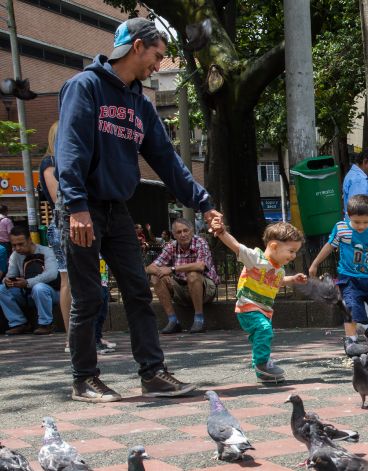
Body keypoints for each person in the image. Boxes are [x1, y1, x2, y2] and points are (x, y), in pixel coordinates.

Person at [57, 17, 222, 402]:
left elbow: (167, 161)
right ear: (137, 47)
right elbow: (70, 149)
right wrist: (76, 206)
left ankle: (153, 373)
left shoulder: (139, 103)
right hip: (83, 209)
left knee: (136, 290)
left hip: (116, 209)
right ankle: (84, 378)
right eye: (157, 55)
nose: (157, 65)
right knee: (89, 296)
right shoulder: (85, 87)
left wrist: (203, 203)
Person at [210, 219, 307, 383]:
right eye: (291, 251)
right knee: (264, 330)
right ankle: (262, 364)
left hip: (264, 310)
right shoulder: (255, 259)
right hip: (248, 307)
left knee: (262, 336)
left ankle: (263, 371)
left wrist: (293, 279)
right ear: (274, 246)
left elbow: (279, 281)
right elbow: (236, 246)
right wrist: (222, 232)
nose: (294, 255)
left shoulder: (279, 269)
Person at [309, 195, 368, 349]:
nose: (361, 226)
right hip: (349, 278)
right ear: (348, 216)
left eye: (365, 222)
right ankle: (351, 341)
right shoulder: (341, 228)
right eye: (357, 222)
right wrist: (315, 264)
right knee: (351, 308)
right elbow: (329, 246)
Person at [146, 218, 220, 334]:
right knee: (155, 277)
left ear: (191, 231)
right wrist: (159, 270)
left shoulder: (200, 242)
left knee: (193, 275)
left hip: (206, 289)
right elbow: (150, 268)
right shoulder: (171, 246)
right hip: (181, 289)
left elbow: (201, 266)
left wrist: (172, 269)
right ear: (174, 235)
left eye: (185, 231)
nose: (183, 234)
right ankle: (173, 321)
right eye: (179, 232)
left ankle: (199, 319)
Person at [39, 121, 75, 351]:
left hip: (76, 222)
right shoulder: (50, 163)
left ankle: (89, 336)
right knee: (68, 280)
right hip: (63, 224)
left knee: (82, 281)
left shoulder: (65, 162)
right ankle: (72, 337)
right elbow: (57, 198)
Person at [0, 226, 60, 335]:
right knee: (1, 289)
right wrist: (7, 281)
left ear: (29, 240)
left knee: (39, 287)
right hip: (27, 294)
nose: (17, 248)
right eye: (14, 245)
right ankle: (19, 323)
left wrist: (27, 283)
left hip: (50, 293)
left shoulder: (46, 251)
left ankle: (46, 324)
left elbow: (52, 274)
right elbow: (10, 275)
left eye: (21, 244)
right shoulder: (15, 255)